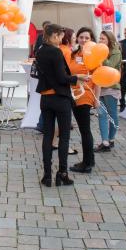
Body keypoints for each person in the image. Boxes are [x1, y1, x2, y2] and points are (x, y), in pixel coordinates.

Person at [35, 23, 85, 187]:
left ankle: (47, 175)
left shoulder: (40, 51)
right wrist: (78, 78)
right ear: (54, 35)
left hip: (46, 98)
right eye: (61, 36)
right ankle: (62, 173)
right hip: (60, 98)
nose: (62, 39)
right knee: (64, 136)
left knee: (48, 136)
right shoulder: (55, 52)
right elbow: (62, 78)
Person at [68, 27, 97, 173]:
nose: (84, 40)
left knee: (85, 130)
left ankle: (86, 164)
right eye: (81, 37)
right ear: (77, 38)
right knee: (84, 129)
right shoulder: (75, 53)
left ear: (91, 39)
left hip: (84, 95)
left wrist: (96, 99)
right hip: (73, 94)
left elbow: (99, 78)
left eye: (87, 38)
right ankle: (90, 159)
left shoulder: (94, 55)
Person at [95, 30, 121, 152]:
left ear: (109, 40)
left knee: (112, 114)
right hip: (100, 86)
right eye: (100, 38)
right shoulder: (98, 51)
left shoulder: (115, 52)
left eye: (103, 39)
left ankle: (111, 139)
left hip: (111, 87)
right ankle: (104, 141)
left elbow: (110, 66)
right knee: (102, 114)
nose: (100, 41)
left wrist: (101, 56)